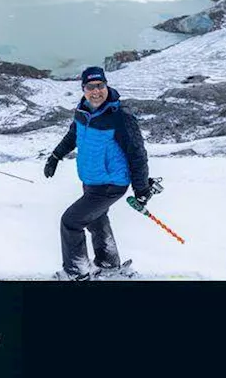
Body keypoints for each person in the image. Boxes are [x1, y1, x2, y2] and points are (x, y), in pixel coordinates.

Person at [44, 67, 153, 280]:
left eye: (100, 86)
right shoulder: (83, 111)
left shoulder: (120, 115)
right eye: (90, 87)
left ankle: (77, 272)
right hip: (92, 180)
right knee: (96, 219)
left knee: (71, 222)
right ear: (83, 89)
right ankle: (108, 263)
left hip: (111, 183)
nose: (96, 92)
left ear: (106, 85)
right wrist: (55, 157)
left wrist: (141, 189)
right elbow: (73, 135)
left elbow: (137, 153)